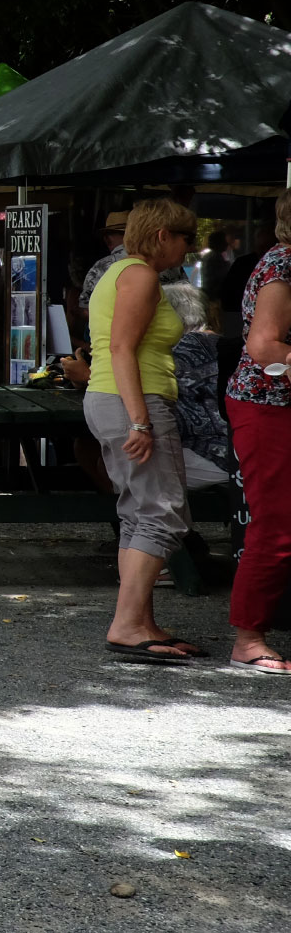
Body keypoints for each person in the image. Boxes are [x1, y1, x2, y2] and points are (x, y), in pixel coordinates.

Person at [86, 198, 204, 664]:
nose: (189, 249)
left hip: (111, 398)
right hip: (133, 399)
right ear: (162, 236)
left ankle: (140, 620)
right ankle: (128, 623)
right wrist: (140, 419)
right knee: (163, 510)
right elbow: (121, 348)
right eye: (185, 238)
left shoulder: (117, 273)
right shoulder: (141, 275)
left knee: (139, 512)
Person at [226, 190, 291, 674]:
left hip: (275, 404)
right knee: (276, 522)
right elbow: (263, 343)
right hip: (269, 405)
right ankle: (248, 638)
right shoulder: (284, 265)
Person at [163, 282, 236, 486]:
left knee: (129, 461)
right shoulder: (219, 342)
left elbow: (174, 421)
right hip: (243, 451)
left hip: (220, 457)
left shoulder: (184, 349)